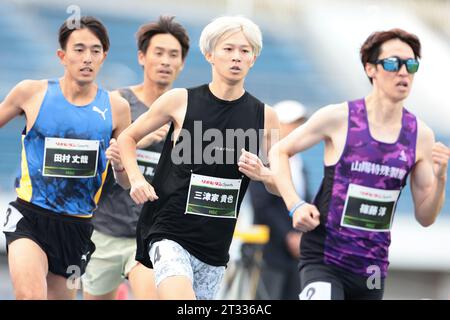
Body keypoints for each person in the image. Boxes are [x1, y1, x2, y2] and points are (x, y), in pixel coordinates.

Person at [267, 28, 450, 300]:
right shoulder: (339, 117)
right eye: (392, 63)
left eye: (411, 64)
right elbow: (280, 151)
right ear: (370, 68)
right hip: (324, 257)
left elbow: (425, 217)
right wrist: (295, 204)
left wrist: (441, 178)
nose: (403, 72)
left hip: (372, 265)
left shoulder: (420, 135)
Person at [117, 15, 279, 300]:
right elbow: (127, 138)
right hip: (168, 230)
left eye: (245, 51)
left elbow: (281, 185)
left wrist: (264, 175)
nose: (237, 57)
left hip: (215, 245)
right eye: (228, 49)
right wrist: (136, 179)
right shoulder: (180, 100)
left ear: (253, 59)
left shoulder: (265, 117)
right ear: (209, 54)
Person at [0, 16, 131, 300]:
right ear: (62, 55)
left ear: (104, 56)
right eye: (79, 49)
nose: (87, 58)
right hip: (30, 215)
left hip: (76, 226)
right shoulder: (31, 92)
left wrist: (120, 164)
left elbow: (124, 179)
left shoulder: (116, 108)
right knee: (30, 296)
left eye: (95, 51)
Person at [82, 16, 190, 300]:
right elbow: (91, 159)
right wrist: (136, 141)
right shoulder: (117, 101)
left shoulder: (185, 111)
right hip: (105, 228)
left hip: (153, 234)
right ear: (142, 57)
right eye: (158, 53)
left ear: (182, 63)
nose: (165, 61)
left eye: (173, 55)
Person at [249, 100, 311, 300]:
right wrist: (289, 236)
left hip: (295, 256)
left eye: (300, 124)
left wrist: (302, 236)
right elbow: (262, 205)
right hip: (267, 253)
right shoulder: (263, 160)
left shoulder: (300, 163)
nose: (297, 130)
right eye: (292, 124)